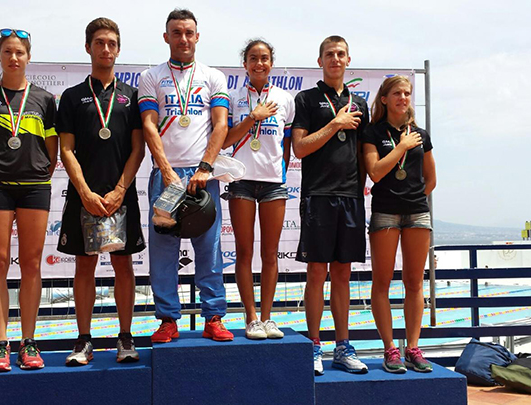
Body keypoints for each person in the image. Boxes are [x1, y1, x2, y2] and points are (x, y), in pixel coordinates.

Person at [0, 28, 57, 372]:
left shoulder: (44, 99)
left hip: (34, 186)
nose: (14, 57)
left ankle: (28, 341)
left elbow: (53, 150)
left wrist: (38, 176)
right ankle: (0, 343)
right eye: (7, 52)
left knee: (32, 264)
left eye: (19, 52)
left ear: (28, 57)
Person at [138, 8, 233, 343]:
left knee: (209, 248)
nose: (183, 39)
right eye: (176, 33)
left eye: (188, 32)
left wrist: (205, 167)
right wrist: (166, 171)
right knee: (163, 249)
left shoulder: (213, 76)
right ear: (166, 37)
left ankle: (214, 317)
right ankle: (167, 320)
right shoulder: (151, 76)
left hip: (203, 175)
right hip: (165, 175)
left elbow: (221, 124)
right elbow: (149, 124)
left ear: (197, 36)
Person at [57, 17, 146, 366]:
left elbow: (138, 149)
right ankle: (83, 341)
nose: (105, 49)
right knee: (85, 267)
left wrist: (120, 189)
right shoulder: (72, 96)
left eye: (111, 43)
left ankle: (125, 338)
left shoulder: (131, 96)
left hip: (122, 195)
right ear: (88, 47)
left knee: (123, 267)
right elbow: (66, 150)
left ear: (118, 49)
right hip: (85, 197)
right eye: (99, 42)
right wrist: (86, 193)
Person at [292, 36, 368, 375]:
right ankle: (313, 346)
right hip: (318, 196)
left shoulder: (361, 103)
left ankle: (342, 346)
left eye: (340, 54)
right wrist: (335, 123)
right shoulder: (307, 99)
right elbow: (300, 148)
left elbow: (365, 155)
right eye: (329, 55)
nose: (335, 59)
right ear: (320, 60)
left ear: (348, 59)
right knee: (316, 273)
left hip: (350, 198)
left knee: (343, 274)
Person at [363, 75, 437, 373]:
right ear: (384, 99)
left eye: (407, 93)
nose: (402, 98)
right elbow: (375, 172)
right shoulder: (372, 132)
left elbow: (431, 179)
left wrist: (412, 197)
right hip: (385, 214)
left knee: (414, 283)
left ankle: (413, 348)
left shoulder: (421, 134)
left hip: (417, 213)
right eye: (396, 93)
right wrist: (401, 146)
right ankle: (390, 349)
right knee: (382, 283)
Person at [222, 39, 294, 339]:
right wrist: (253, 117)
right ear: (245, 64)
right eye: (253, 58)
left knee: (270, 253)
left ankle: (268, 318)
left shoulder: (285, 98)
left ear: (271, 63)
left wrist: (278, 171)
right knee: (243, 251)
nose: (259, 63)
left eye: (264, 58)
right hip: (241, 181)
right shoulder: (234, 97)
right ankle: (251, 318)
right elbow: (224, 140)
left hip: (272, 184)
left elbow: (286, 145)